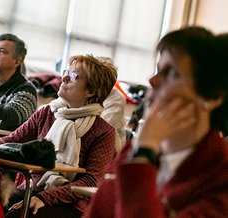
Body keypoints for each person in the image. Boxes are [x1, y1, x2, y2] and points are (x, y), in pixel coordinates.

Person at [85, 26, 228, 217]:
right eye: (158, 69)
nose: (152, 80)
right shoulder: (135, 150)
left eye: (171, 73)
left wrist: (144, 152)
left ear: (212, 97)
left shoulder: (220, 178)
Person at [0, 54, 117, 217]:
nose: (65, 77)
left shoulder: (104, 131)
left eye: (74, 76)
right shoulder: (47, 112)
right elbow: (12, 141)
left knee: (15, 215)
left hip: (70, 203)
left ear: (91, 91)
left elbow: (90, 182)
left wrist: (45, 198)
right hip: (31, 188)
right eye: (66, 71)